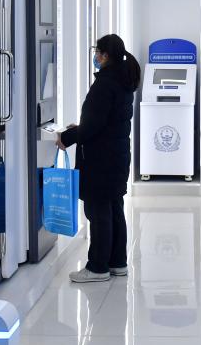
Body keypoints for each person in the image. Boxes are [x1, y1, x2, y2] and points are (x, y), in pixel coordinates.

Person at [57, 34, 140, 282]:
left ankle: (97, 268)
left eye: (97, 52)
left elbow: (94, 126)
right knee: (114, 208)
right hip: (117, 155)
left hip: (101, 159)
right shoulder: (124, 80)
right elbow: (105, 121)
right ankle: (117, 263)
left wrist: (67, 137)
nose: (95, 56)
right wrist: (81, 127)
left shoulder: (105, 84)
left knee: (98, 211)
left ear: (104, 55)